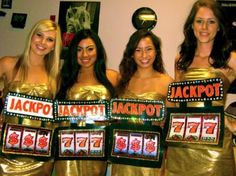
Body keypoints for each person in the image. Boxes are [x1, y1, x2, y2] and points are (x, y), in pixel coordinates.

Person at [165, 0, 236, 175]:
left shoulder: (231, 59)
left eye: (211, 21)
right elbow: (176, 104)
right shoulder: (181, 59)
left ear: (219, 26)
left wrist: (232, 123)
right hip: (181, 147)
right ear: (191, 25)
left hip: (215, 150)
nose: (204, 27)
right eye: (199, 21)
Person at [0, 19, 62, 175]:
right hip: (8, 153)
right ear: (31, 36)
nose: (42, 42)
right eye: (39, 35)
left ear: (54, 45)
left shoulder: (55, 76)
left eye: (49, 40)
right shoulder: (8, 63)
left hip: (41, 155)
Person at [54, 29, 119, 176]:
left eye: (90, 49)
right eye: (79, 50)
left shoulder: (112, 76)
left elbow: (121, 112)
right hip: (68, 150)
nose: (84, 55)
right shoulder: (63, 77)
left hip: (97, 149)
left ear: (98, 51)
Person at [110, 29, 174, 176]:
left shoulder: (167, 82)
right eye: (138, 50)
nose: (144, 55)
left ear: (156, 52)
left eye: (149, 49)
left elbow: (171, 124)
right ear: (131, 54)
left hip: (151, 160)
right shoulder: (121, 80)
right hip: (123, 156)